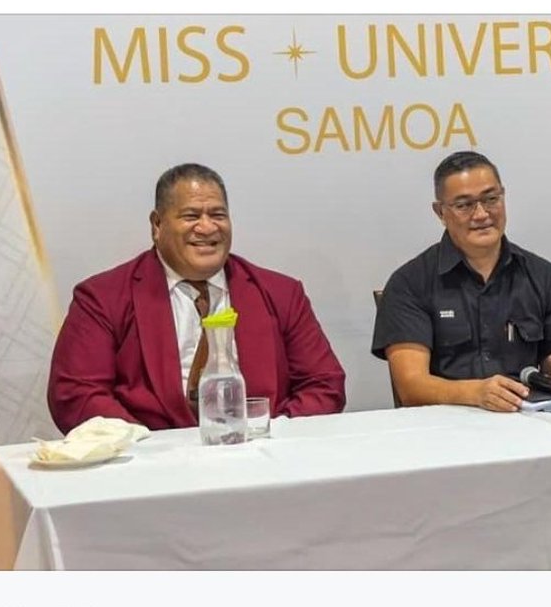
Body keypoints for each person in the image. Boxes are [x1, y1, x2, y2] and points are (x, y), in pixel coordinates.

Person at [47, 163, 346, 431]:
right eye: (191, 216)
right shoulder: (102, 298)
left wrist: (272, 432)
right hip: (148, 470)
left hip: (266, 460)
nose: (207, 227)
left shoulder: (281, 293)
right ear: (157, 225)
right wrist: (149, 447)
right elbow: (77, 394)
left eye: (218, 215)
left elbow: (324, 384)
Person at [372, 151, 551, 411]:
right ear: (440, 212)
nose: (482, 214)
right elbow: (411, 386)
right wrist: (475, 392)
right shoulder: (410, 283)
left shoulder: (543, 277)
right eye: (464, 205)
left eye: (491, 199)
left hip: (529, 421)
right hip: (443, 431)